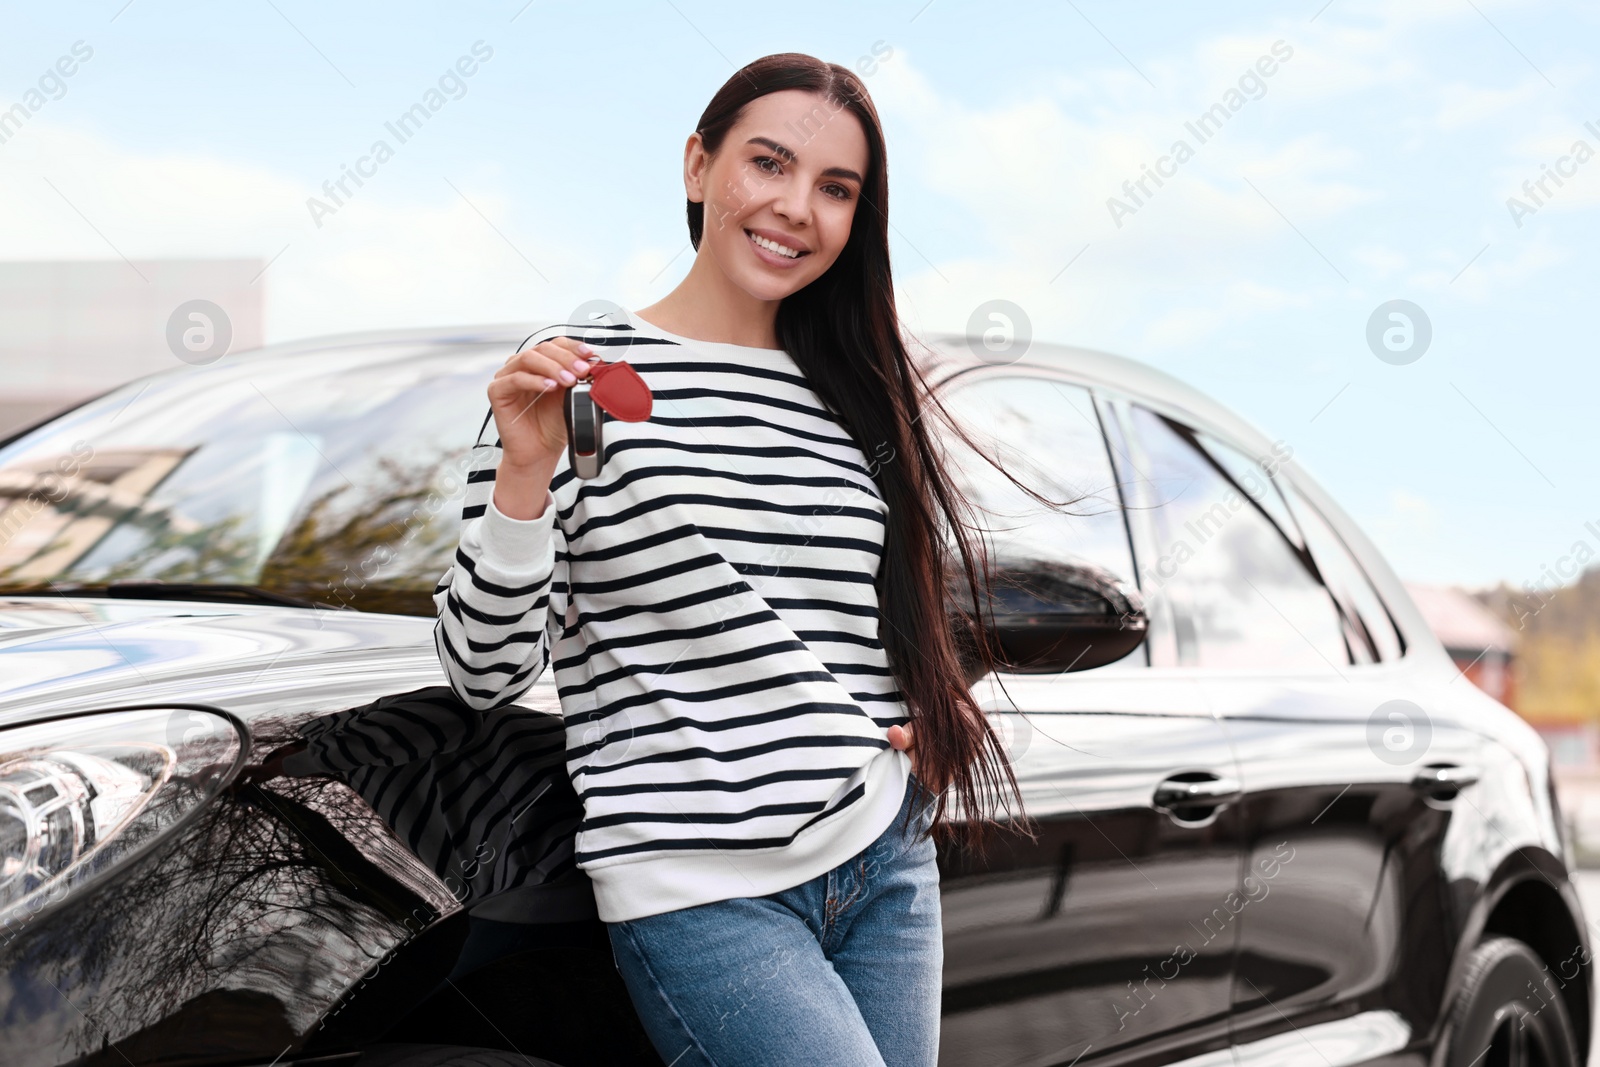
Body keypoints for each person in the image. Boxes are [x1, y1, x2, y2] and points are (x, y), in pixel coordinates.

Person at [432, 51, 1024, 1067]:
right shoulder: (579, 375)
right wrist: (522, 475)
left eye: (836, 189)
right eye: (768, 164)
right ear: (698, 166)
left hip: (883, 859)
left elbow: (882, 616)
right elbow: (485, 669)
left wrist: (929, 722)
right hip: (699, 885)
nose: (797, 207)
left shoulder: (859, 387)